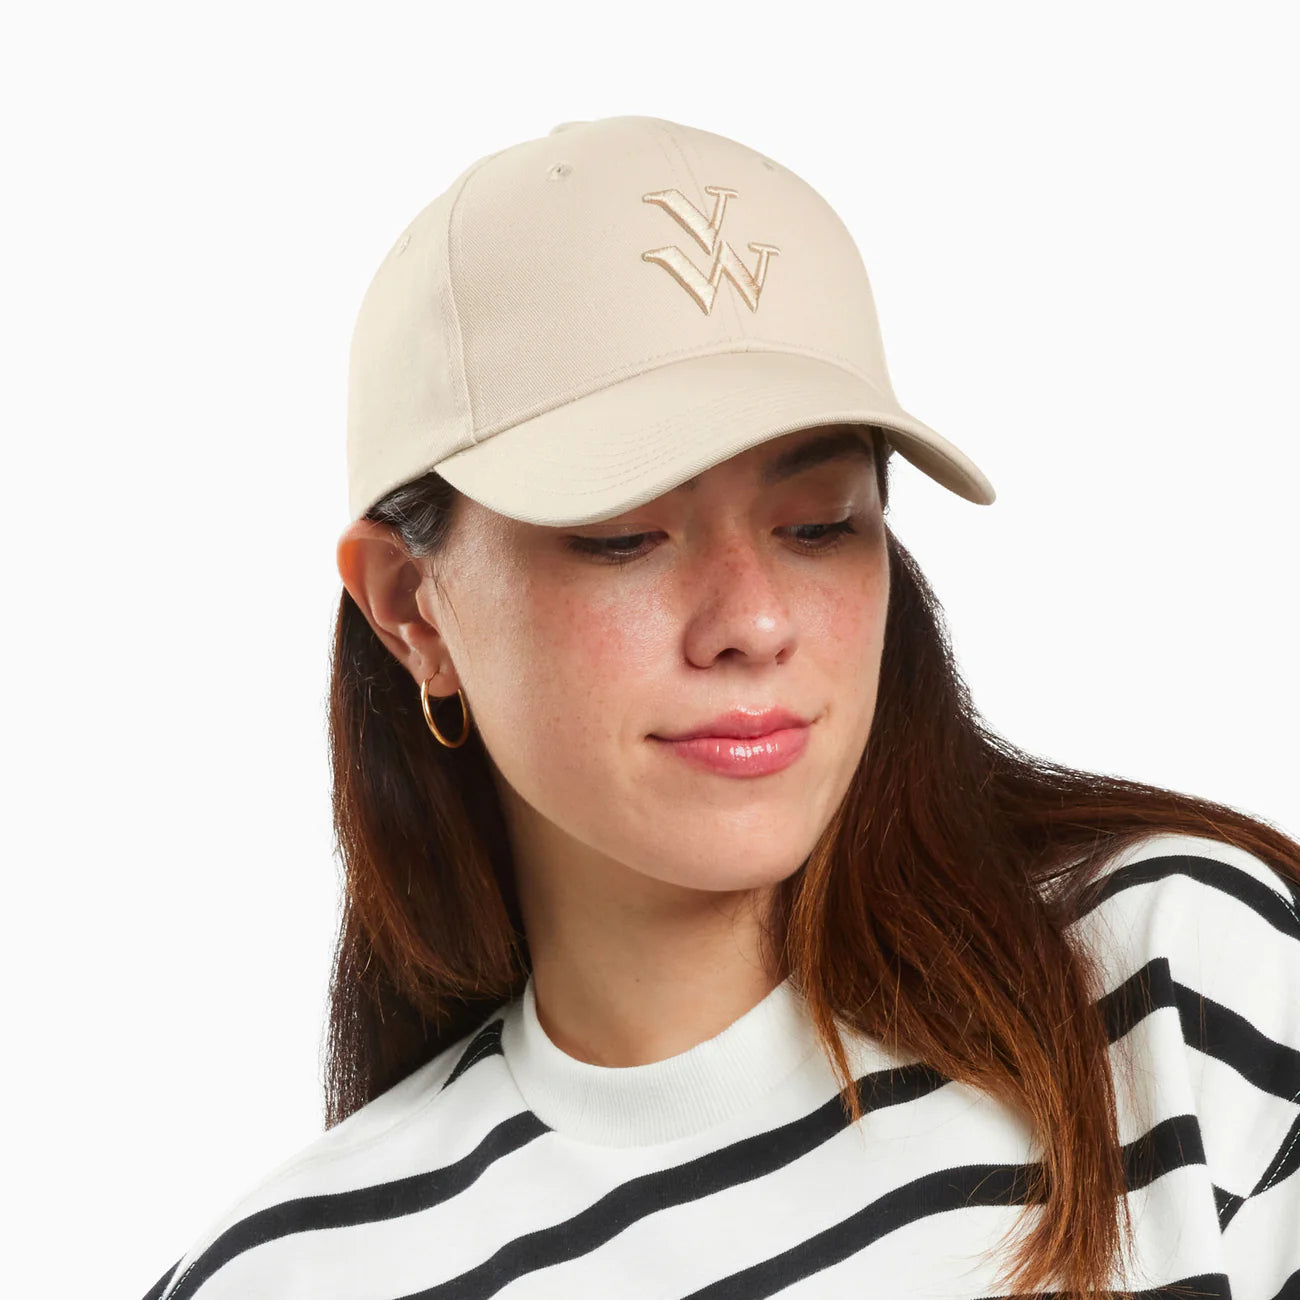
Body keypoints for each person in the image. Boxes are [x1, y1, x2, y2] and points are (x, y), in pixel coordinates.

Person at [140, 116, 1300, 1300]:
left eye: (818, 524)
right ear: (412, 611)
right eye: (625, 536)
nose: (752, 619)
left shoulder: (1182, 985)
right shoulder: (295, 1274)